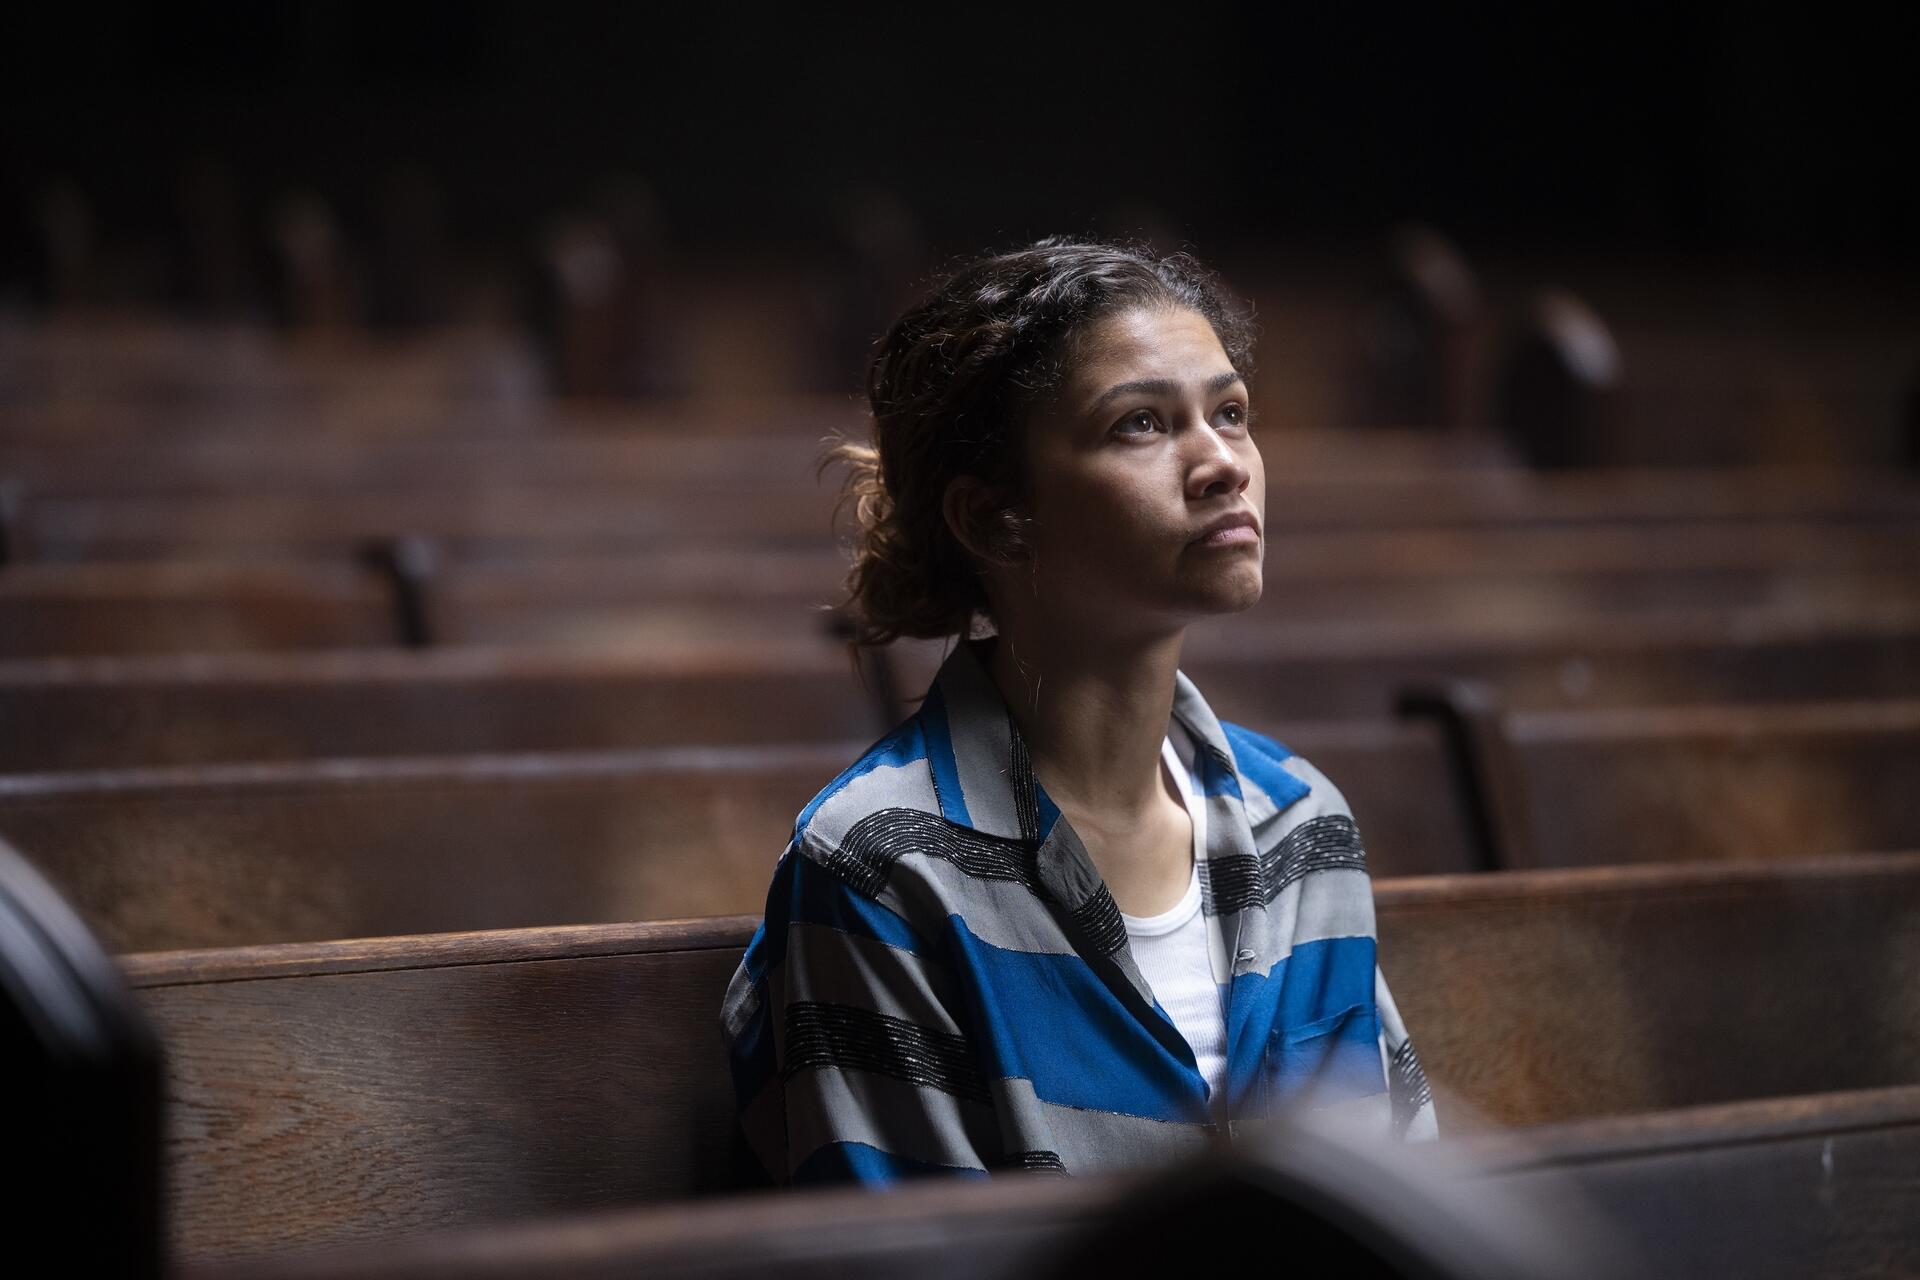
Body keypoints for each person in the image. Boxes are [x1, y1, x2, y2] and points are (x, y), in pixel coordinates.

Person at [721, 238, 1436, 1185]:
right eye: (1142, 424)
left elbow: (1400, 1203)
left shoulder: (1301, 823)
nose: (1224, 463)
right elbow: (917, 1256)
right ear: (992, 518)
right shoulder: (881, 867)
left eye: (1230, 413)